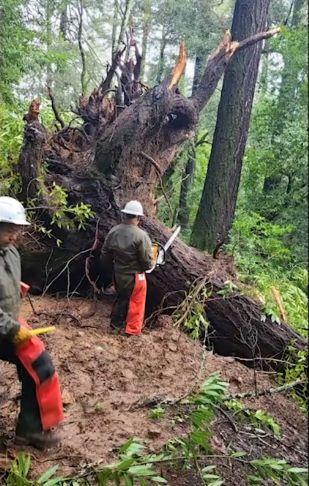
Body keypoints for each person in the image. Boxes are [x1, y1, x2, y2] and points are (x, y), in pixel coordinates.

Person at [0, 196, 63, 450]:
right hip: (6, 328)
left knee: (41, 365)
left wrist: (16, 288)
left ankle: (29, 431)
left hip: (8, 327)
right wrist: (12, 329)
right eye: (9, 229)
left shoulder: (11, 252)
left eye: (17, 229)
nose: (14, 235)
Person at [101, 200, 153, 336]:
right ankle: (132, 330)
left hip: (118, 274)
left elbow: (105, 254)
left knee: (122, 297)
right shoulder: (141, 236)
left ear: (125, 215)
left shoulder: (113, 231)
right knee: (136, 302)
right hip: (134, 276)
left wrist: (111, 268)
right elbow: (147, 263)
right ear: (138, 217)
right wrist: (152, 264)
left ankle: (115, 324)